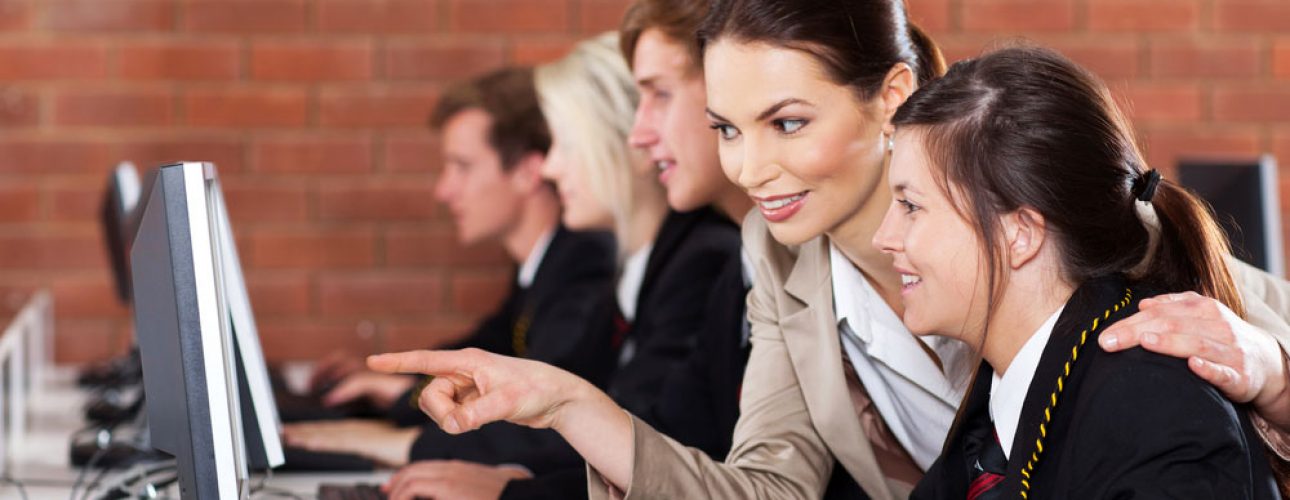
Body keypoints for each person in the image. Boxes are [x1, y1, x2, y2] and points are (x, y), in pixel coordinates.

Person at [371, 0, 1290, 498]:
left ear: (892, 96)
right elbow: (768, 489)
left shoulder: (1047, 211)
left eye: (788, 122)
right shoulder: (776, 254)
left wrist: (1273, 371)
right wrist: (570, 405)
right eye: (727, 129)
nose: (750, 169)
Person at [870, 45, 1279, 499]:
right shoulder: (997, 405)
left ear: (1020, 234)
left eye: (911, 206)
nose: (882, 238)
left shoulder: (1151, 410)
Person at [383, 2, 756, 497]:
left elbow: (665, 441)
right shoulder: (690, 262)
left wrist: (513, 489)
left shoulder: (707, 258)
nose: (551, 168)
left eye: (564, 142)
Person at [281, 67, 619, 467]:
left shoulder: (583, 265)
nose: (443, 190)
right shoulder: (543, 264)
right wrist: (399, 381)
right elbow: (487, 346)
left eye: (462, 166)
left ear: (528, 172)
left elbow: (542, 414)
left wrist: (401, 409)